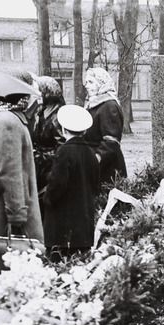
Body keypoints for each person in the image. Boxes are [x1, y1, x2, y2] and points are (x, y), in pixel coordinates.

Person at [43, 105, 99, 261]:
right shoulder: (90, 152)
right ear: (85, 130)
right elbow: (96, 184)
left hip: (62, 224)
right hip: (84, 220)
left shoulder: (64, 151)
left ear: (63, 129)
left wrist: (48, 199)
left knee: (59, 263)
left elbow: (57, 184)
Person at [0, 71, 44, 244]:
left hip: (5, 207)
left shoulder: (5, 118)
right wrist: (17, 216)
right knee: (13, 262)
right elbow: (10, 173)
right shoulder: (7, 121)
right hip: (8, 212)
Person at [83, 67, 127, 191]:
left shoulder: (109, 106)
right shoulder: (95, 104)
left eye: (91, 82)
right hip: (95, 165)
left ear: (101, 84)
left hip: (107, 168)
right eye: (86, 82)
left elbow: (111, 141)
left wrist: (96, 158)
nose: (86, 86)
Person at [32, 76, 66, 218]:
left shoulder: (58, 115)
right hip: (40, 165)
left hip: (49, 168)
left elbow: (62, 146)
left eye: (38, 90)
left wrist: (43, 155)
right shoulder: (42, 111)